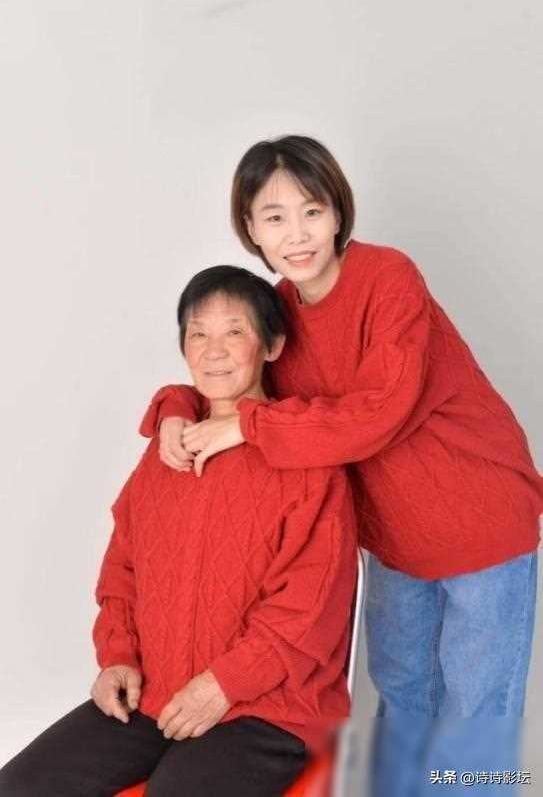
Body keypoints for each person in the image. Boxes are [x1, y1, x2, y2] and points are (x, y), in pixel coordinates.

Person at [142, 135, 542, 797]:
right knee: (401, 699)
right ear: (250, 228)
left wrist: (247, 425)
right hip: (392, 540)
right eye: (274, 217)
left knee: (477, 717)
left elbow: (378, 412)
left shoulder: (388, 278)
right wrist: (174, 409)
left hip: (482, 521)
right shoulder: (277, 309)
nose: (297, 235)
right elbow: (234, 370)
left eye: (312, 212)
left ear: (337, 214)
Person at [0, 266, 358, 797]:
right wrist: (117, 657)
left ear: (273, 345)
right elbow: (122, 570)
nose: (214, 351)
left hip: (269, 709)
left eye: (234, 331)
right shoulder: (167, 449)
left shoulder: (306, 462)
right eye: (198, 333)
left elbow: (308, 611)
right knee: (21, 786)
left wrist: (225, 684)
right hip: (155, 697)